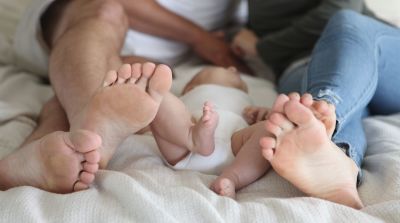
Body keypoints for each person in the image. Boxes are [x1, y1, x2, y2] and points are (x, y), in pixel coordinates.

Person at [5, 0, 246, 193]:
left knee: (101, 87)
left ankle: (19, 166)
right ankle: (91, 129)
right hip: (76, 18)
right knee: (104, 8)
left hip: (147, 61)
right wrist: (199, 37)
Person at [253, 10, 400, 209]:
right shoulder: (237, 11)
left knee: (345, 19)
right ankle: (338, 158)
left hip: (373, 49)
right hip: (303, 68)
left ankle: (321, 112)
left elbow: (339, 6)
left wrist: (260, 48)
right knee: (316, 99)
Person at [0, 62, 172, 193]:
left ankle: (27, 160)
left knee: (57, 105)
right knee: (101, 17)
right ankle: (86, 127)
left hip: (126, 58)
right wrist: (195, 37)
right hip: (61, 34)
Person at [112, 64, 274, 198]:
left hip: (236, 145)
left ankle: (233, 178)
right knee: (161, 102)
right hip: (185, 146)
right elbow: (158, 126)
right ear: (190, 88)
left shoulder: (248, 103)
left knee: (269, 129)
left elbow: (259, 126)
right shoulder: (184, 99)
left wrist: (263, 114)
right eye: (225, 70)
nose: (233, 69)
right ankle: (190, 133)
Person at [231, 0, 375, 82]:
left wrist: (262, 48)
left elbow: (339, 12)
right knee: (314, 106)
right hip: (300, 65)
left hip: (366, 47)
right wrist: (233, 35)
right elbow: (263, 23)